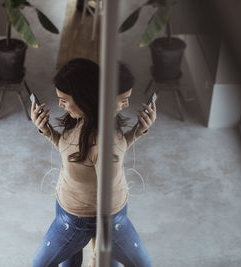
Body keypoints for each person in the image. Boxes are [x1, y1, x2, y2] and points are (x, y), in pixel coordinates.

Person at [31, 58, 156, 267]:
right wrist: (47, 131)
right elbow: (74, 153)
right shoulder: (88, 120)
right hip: (66, 208)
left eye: (64, 99)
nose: (60, 104)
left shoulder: (103, 142)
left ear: (84, 98)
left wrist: (98, 252)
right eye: (123, 98)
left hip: (80, 220)